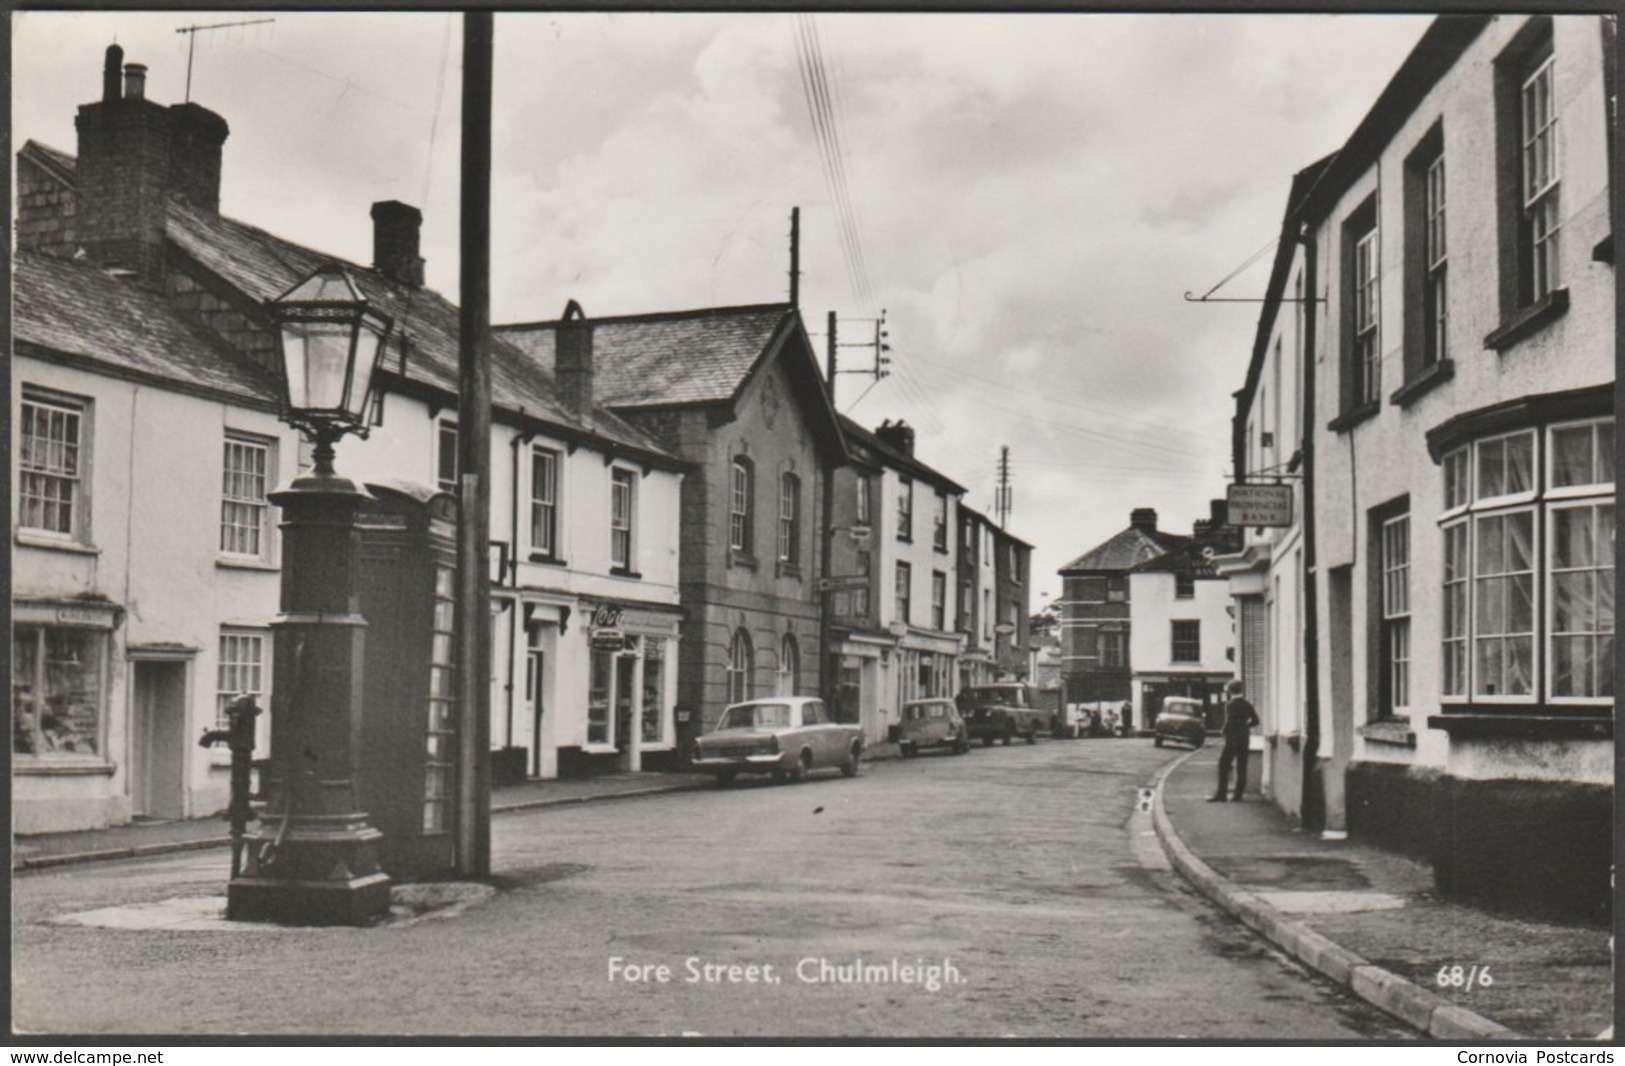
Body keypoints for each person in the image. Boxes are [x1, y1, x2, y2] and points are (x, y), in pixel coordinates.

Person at [1209, 679, 1259, 802]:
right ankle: (1238, 796)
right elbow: (1256, 721)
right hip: (1244, 738)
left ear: (1230, 691)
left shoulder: (1229, 705)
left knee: (1223, 765)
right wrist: (1245, 726)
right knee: (1242, 767)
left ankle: (1221, 794)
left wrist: (1223, 730)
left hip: (1232, 739)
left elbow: (1229, 721)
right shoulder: (1247, 704)